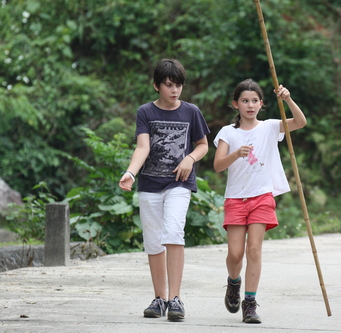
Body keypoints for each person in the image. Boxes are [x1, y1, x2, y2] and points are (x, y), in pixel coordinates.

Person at [119, 59, 210, 322]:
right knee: (154, 240)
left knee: (173, 232)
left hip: (178, 184)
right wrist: (130, 173)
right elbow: (142, 148)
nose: (175, 90)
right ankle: (159, 298)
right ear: (156, 86)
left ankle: (175, 299)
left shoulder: (191, 111)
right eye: (169, 85)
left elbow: (203, 145)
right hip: (149, 184)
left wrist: (190, 159)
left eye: (178, 85)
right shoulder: (145, 112)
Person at [213, 78, 307, 324]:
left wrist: (286, 98)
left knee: (254, 249)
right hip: (235, 198)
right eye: (245, 101)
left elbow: (300, 122)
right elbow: (217, 166)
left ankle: (250, 303)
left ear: (262, 104)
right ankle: (233, 283)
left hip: (261, 197)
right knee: (235, 254)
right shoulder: (228, 132)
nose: (250, 105)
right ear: (236, 104)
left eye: (255, 101)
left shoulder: (269, 127)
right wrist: (236, 153)